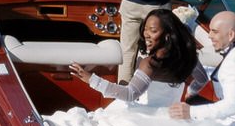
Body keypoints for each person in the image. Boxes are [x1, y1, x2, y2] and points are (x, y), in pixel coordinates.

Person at [70, 8, 209, 106]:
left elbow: (130, 95)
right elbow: (202, 80)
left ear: (167, 35)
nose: (146, 34)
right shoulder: (188, 57)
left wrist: (91, 79)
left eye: (153, 31)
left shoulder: (150, 63)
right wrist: (190, 93)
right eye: (145, 29)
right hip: (171, 118)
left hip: (146, 118)